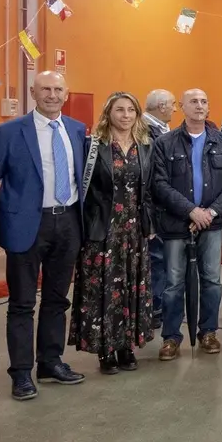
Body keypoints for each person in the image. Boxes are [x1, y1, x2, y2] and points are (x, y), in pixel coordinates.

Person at [0, 70, 87, 400]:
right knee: (21, 303)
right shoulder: (8, 132)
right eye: (45, 88)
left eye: (58, 89)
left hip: (69, 223)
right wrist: (2, 218)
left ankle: (50, 361)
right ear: (33, 92)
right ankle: (20, 373)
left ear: (66, 93)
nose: (52, 94)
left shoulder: (77, 129)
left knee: (58, 299)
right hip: (27, 227)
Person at [69, 93, 154, 374]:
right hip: (103, 230)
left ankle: (126, 345)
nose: (126, 115)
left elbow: (149, 190)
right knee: (105, 290)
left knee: (130, 288)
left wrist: (149, 225)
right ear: (108, 113)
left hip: (134, 231)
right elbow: (81, 188)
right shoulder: (93, 146)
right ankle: (105, 349)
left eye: (131, 110)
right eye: (120, 109)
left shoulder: (145, 146)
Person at [153, 89, 222, 360]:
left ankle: (209, 332)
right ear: (182, 107)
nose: (200, 106)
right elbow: (159, 184)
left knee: (212, 281)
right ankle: (171, 337)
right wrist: (191, 211)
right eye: (194, 101)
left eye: (204, 101)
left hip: (212, 225)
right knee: (173, 283)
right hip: (176, 224)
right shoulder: (165, 143)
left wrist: (211, 212)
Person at [143, 88, 175, 330]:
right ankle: (156, 307)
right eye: (173, 104)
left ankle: (161, 304)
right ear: (162, 106)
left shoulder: (160, 130)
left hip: (164, 207)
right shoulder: (146, 132)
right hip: (154, 208)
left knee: (162, 260)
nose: (175, 109)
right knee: (157, 259)